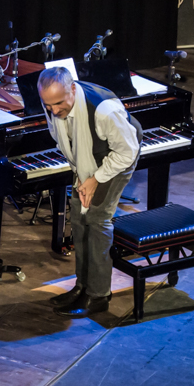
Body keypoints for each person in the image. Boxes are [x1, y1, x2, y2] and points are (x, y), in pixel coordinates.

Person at [38, 67, 142, 317]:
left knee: (96, 220)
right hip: (86, 162)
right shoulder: (55, 103)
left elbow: (128, 152)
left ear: (73, 89)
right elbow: (65, 139)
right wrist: (84, 176)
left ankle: (98, 296)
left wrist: (95, 179)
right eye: (48, 104)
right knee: (78, 219)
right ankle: (82, 287)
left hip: (115, 161)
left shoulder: (105, 111)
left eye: (59, 103)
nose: (53, 111)